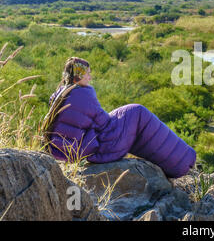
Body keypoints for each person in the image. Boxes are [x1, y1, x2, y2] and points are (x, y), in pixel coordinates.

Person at [45, 57, 196, 178]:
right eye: (88, 74)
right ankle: (183, 161)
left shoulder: (61, 92)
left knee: (131, 116)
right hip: (99, 148)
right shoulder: (83, 93)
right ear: (79, 75)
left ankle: (178, 161)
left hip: (73, 150)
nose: (90, 77)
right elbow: (103, 123)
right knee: (138, 112)